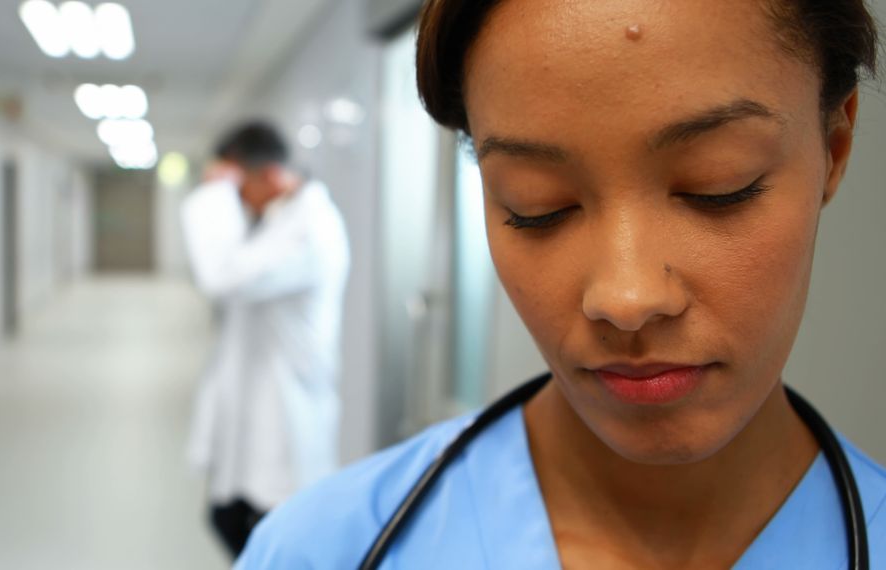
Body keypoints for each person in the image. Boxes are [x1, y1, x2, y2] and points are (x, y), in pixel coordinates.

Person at [238, 0, 886, 568]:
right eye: (536, 203)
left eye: (718, 184)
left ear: (834, 145)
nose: (627, 298)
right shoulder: (323, 549)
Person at [180, 121, 350, 558]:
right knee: (230, 521)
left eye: (238, 186)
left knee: (274, 542)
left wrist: (213, 194)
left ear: (268, 175)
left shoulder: (310, 229)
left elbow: (220, 275)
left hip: (287, 424)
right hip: (256, 417)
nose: (236, 199)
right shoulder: (278, 221)